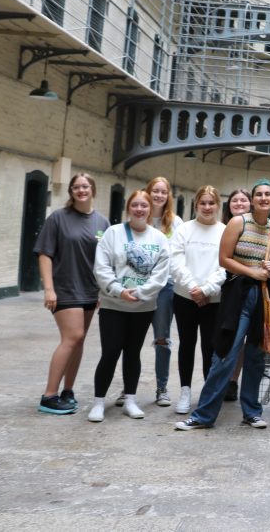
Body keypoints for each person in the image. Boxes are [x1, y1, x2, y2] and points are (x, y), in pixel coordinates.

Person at [175, 180, 270, 430]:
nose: (263, 198)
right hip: (237, 293)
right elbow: (224, 259)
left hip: (263, 297)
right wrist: (251, 272)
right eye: (259, 194)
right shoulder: (238, 223)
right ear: (253, 199)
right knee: (225, 353)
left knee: (256, 355)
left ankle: (252, 412)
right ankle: (203, 415)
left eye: (268, 194)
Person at [90, 190, 170, 422]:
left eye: (144, 206)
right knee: (111, 352)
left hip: (143, 307)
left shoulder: (158, 238)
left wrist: (141, 293)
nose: (139, 209)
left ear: (150, 209)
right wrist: (119, 291)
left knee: (133, 353)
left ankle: (130, 401)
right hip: (113, 305)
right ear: (128, 208)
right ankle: (98, 403)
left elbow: (160, 274)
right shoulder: (113, 234)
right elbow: (101, 267)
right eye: (135, 205)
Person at [35, 173, 110, 415]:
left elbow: (105, 260)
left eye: (85, 186)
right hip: (65, 288)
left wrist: (103, 289)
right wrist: (49, 288)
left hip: (90, 289)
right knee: (72, 337)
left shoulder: (102, 223)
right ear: (71, 191)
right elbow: (44, 253)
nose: (81, 190)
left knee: (78, 341)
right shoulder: (58, 218)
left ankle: (68, 391)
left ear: (93, 189)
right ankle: (49, 395)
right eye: (76, 187)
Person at [169, 185, 227, 415]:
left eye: (211, 203)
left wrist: (207, 289)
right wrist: (194, 288)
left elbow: (226, 265)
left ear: (217, 206)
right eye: (202, 203)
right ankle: (184, 391)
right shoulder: (184, 230)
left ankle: (207, 392)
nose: (207, 207)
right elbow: (176, 262)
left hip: (213, 300)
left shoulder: (224, 231)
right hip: (185, 297)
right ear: (196, 205)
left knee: (209, 347)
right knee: (186, 344)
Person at [145, 177, 183, 409]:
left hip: (164, 288)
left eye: (163, 192)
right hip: (139, 287)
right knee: (132, 339)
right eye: (154, 191)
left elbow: (177, 254)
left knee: (162, 338)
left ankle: (162, 388)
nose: (158, 195)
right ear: (147, 193)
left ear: (168, 195)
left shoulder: (175, 223)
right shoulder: (140, 215)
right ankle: (126, 388)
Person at [221, 188, 251, 401]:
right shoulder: (221, 228)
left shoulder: (254, 229)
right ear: (228, 205)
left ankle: (232, 380)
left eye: (244, 200)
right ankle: (219, 379)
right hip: (220, 288)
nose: (239, 203)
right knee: (223, 337)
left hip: (242, 287)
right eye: (235, 200)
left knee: (240, 338)